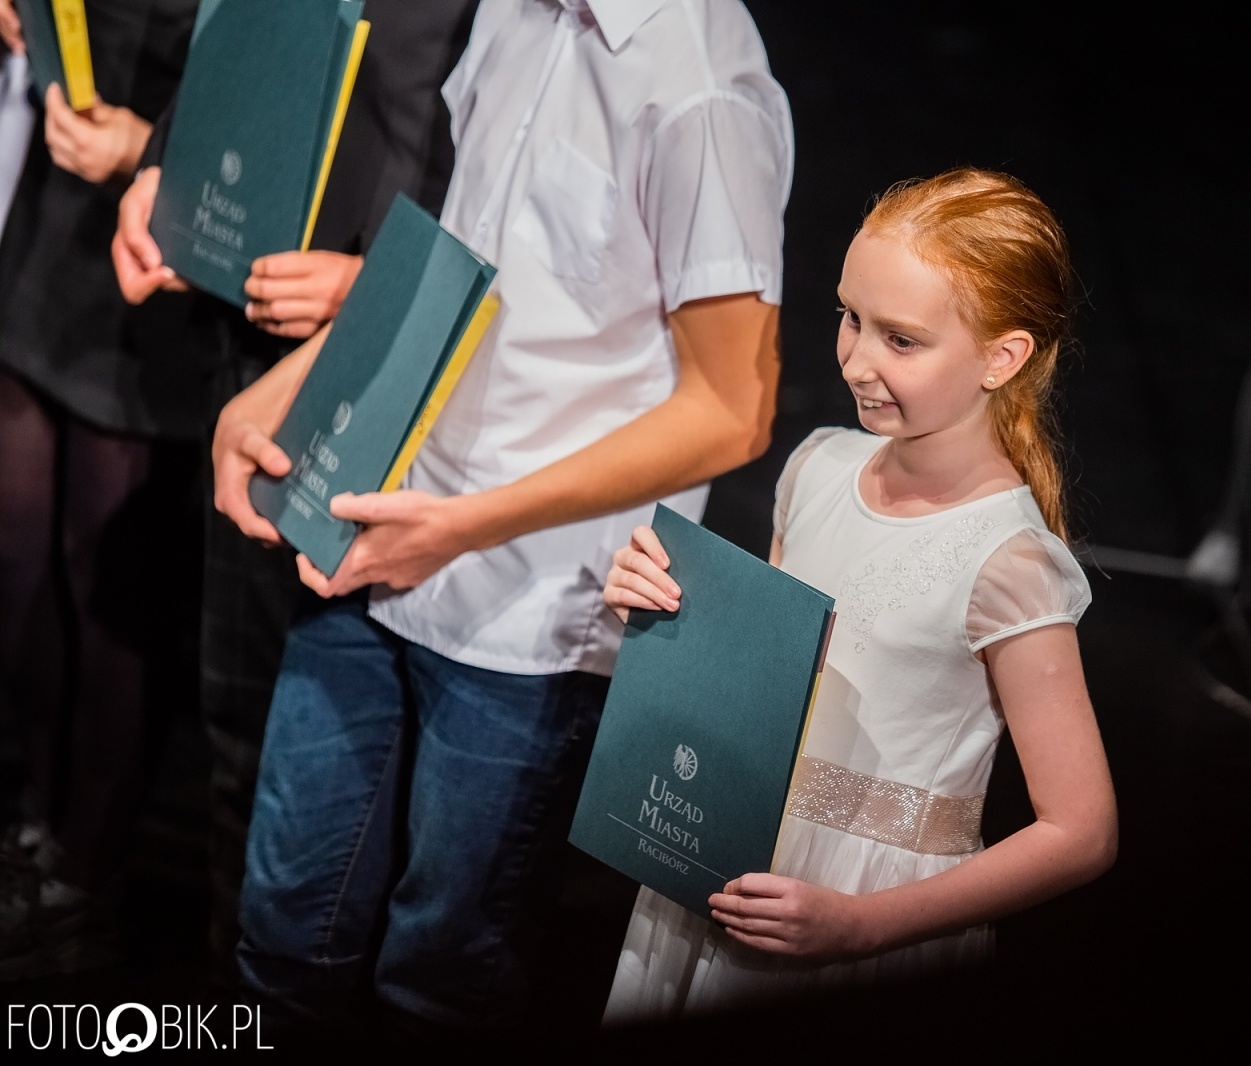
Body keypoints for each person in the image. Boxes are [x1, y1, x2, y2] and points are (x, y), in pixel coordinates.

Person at [209, 0, 792, 1036]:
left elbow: (733, 408)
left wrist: (467, 523)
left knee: (441, 975)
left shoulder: (696, 84)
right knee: (284, 933)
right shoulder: (514, 13)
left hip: (528, 616)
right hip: (377, 530)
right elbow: (467, 263)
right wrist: (292, 385)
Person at [600, 169, 1119, 1021]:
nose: (856, 358)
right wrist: (662, 621)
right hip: (735, 863)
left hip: (864, 915)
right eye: (850, 318)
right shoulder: (817, 467)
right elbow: (764, 691)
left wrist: (861, 927)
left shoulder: (1008, 560)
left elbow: (1082, 830)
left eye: (902, 340)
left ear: (1003, 356)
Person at [107, 0, 480, 987]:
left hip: (415, 396)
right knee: (243, 725)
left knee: (379, 775)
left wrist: (373, 285)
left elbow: (525, 195)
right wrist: (163, 173)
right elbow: (234, 45)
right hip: (254, 355)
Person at [0, 0, 203, 979]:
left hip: (157, 265)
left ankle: (89, 864)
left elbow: (284, 95)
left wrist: (145, 148)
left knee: (105, 575)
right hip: (46, 234)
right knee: (18, 557)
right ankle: (40, 820)